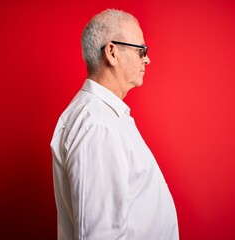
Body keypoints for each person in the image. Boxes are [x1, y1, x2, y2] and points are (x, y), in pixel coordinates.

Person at [50, 9, 179, 240]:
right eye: (142, 50)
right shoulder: (97, 125)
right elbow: (100, 234)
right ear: (112, 52)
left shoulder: (104, 118)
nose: (147, 58)